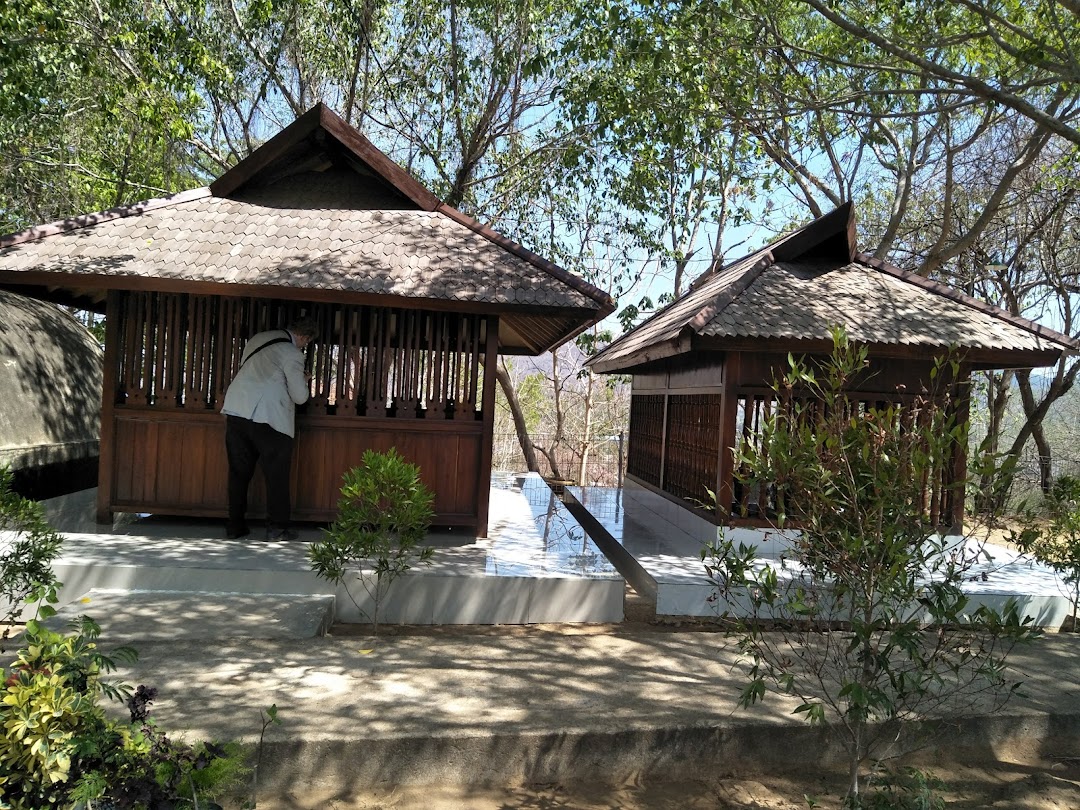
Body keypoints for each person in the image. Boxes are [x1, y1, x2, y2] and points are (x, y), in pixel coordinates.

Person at [220, 316, 317, 541]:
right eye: (306, 342)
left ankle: (235, 526)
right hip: (269, 417)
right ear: (304, 336)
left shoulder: (258, 339)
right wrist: (304, 380)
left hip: (236, 410)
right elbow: (299, 397)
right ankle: (277, 528)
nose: (304, 346)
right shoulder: (292, 354)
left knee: (238, 473)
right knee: (276, 475)